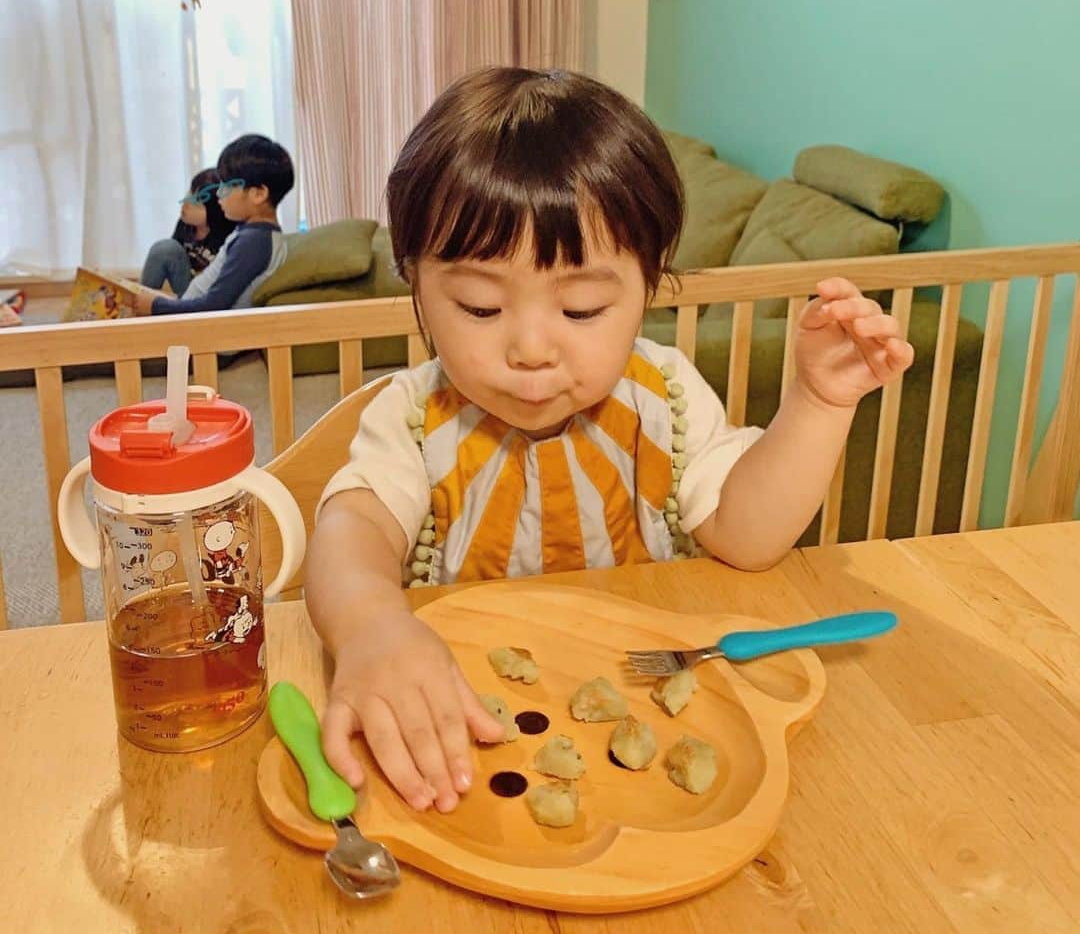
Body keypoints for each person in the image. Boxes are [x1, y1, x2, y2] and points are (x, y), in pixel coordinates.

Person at [305, 69, 914, 816]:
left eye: (584, 308)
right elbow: (352, 527)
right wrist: (370, 625)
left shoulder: (665, 398)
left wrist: (819, 402)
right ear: (415, 285)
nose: (530, 349)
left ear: (649, 287)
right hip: (464, 726)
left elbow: (748, 538)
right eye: (479, 305)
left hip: (641, 729)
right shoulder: (415, 417)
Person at [135, 134, 293, 316]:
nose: (219, 193)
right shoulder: (253, 235)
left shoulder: (253, 242)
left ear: (258, 194)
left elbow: (214, 305)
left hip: (199, 325)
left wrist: (156, 307)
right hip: (192, 314)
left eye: (227, 186)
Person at [140, 167, 236, 297]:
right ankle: (140, 298)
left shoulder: (227, 236)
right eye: (188, 194)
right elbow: (173, 258)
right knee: (164, 248)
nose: (185, 203)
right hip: (187, 288)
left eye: (196, 202)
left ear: (215, 212)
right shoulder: (185, 225)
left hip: (210, 295)